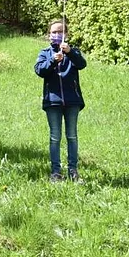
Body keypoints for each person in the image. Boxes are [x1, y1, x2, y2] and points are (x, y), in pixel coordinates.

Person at [34, 20, 87, 182]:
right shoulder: (44, 53)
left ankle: (73, 171)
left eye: (60, 32)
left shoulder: (73, 52)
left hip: (72, 101)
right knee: (55, 137)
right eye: (54, 32)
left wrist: (70, 52)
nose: (57, 35)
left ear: (66, 34)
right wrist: (52, 61)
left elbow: (82, 64)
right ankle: (56, 172)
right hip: (53, 101)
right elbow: (39, 70)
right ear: (49, 35)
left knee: (72, 136)